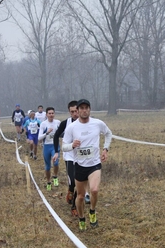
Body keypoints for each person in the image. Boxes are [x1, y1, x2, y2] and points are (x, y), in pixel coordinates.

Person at [62, 99, 112, 231]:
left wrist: (105, 149)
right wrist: (72, 145)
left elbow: (108, 134)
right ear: (77, 111)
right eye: (82, 108)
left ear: (90, 110)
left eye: (87, 108)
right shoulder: (71, 128)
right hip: (79, 165)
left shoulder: (98, 123)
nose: (84, 110)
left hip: (94, 164)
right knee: (80, 196)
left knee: (94, 190)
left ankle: (92, 211)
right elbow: (64, 147)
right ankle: (82, 218)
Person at [53, 100, 90, 217]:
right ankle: (70, 189)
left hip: (81, 155)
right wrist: (56, 152)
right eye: (72, 112)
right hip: (69, 155)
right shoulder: (66, 123)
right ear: (69, 112)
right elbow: (55, 136)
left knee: (80, 181)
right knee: (73, 181)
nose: (75, 114)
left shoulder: (86, 122)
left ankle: (74, 206)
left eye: (76, 111)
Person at [38, 107, 61, 190]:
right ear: (46, 114)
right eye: (49, 113)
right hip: (47, 146)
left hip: (55, 146)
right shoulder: (43, 124)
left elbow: (63, 133)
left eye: (52, 113)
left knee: (56, 163)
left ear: (54, 114)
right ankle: (48, 182)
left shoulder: (58, 122)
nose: (51, 115)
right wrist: (46, 133)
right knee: (47, 166)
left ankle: (55, 177)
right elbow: (39, 138)